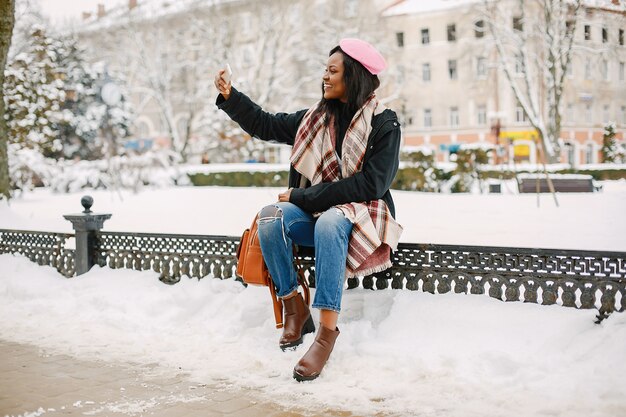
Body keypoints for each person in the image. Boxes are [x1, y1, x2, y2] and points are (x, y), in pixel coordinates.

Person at [214, 38, 403, 382]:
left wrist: (304, 197)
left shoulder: (383, 124)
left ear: (356, 76)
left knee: (331, 220)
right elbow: (266, 124)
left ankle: (327, 332)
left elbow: (372, 185)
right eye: (325, 70)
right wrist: (231, 96)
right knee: (271, 215)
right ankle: (294, 307)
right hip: (316, 218)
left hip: (359, 218)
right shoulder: (315, 119)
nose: (325, 77)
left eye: (333, 71)